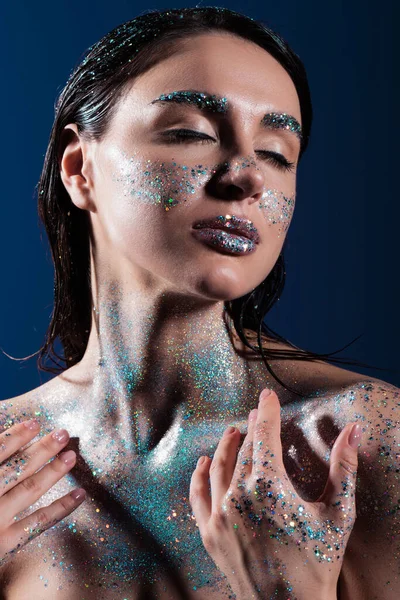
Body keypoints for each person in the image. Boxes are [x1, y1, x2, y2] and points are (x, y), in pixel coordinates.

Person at [0, 6, 398, 599]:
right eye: (192, 133)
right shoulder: (9, 458)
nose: (247, 177)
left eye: (276, 153)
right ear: (80, 168)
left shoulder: (360, 445)